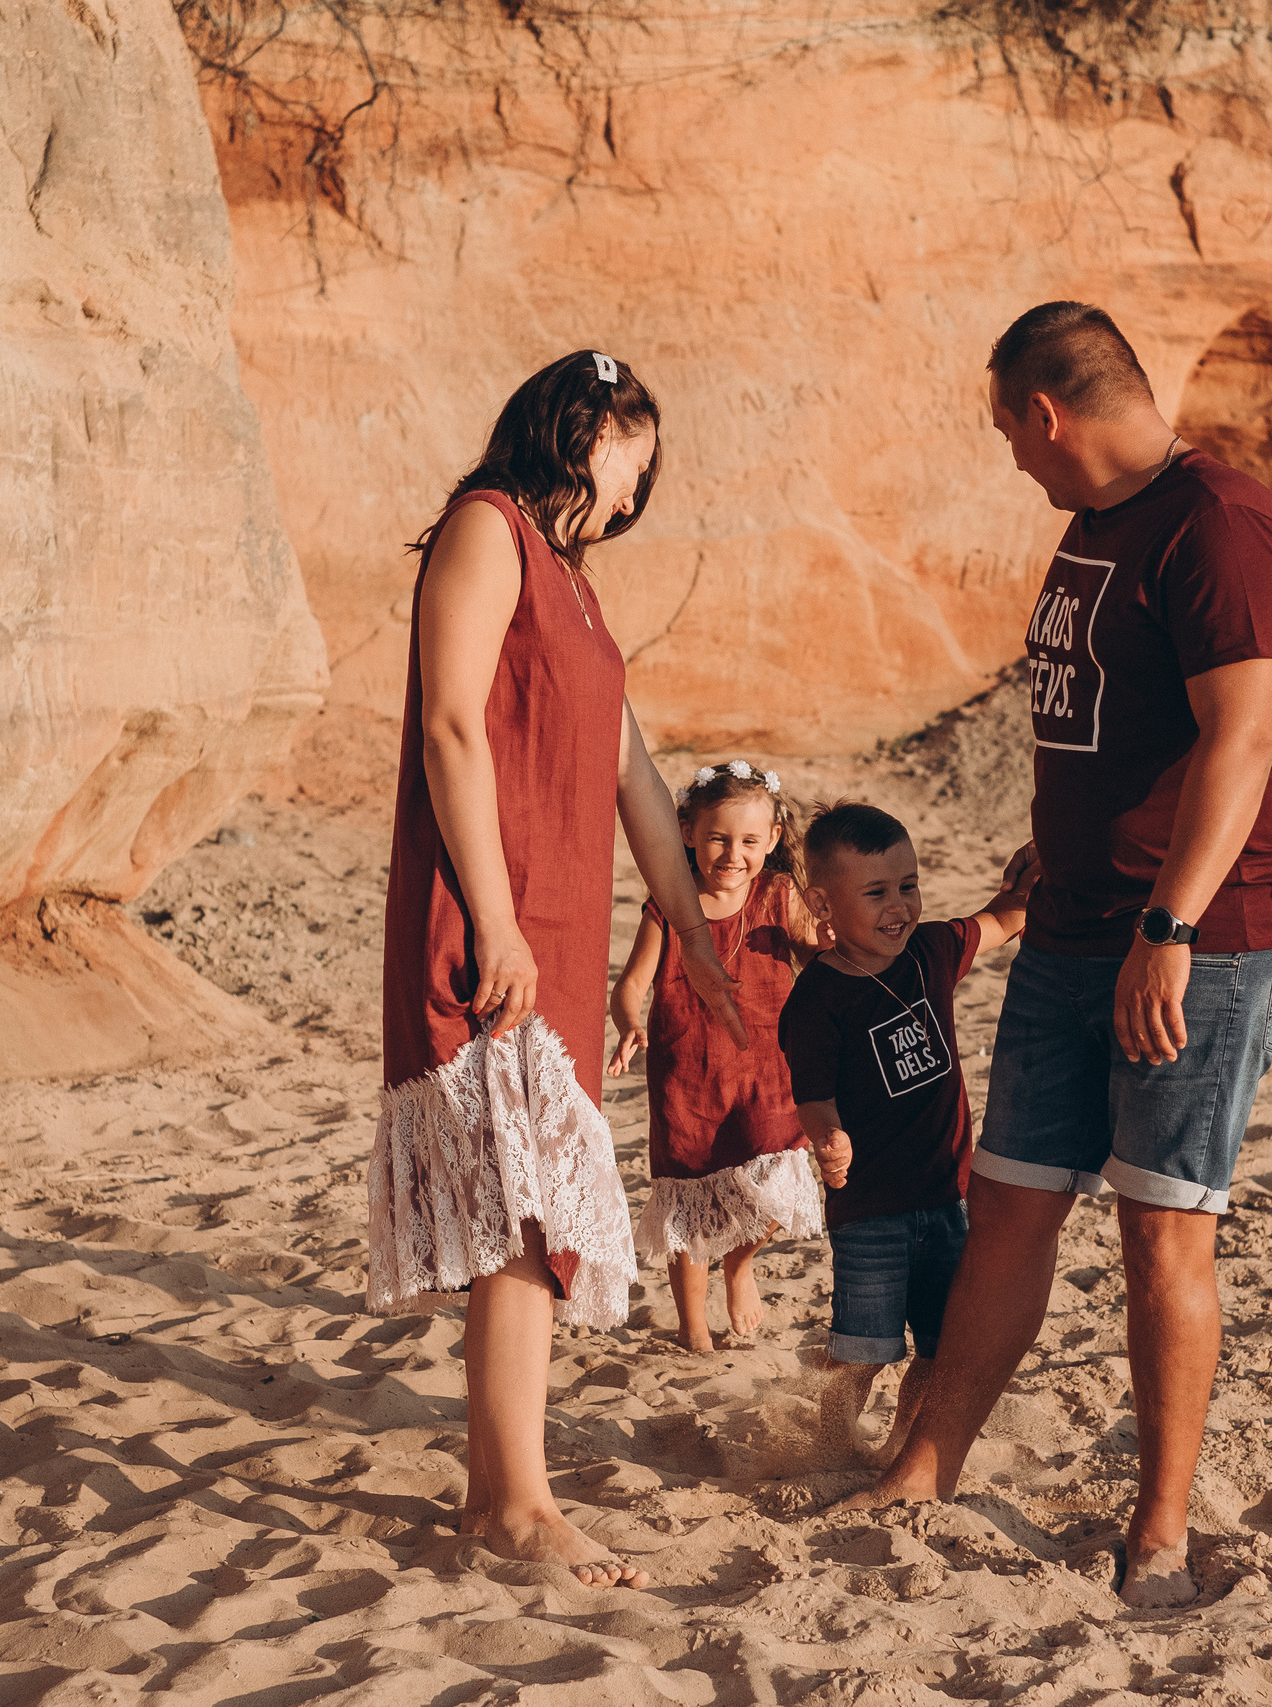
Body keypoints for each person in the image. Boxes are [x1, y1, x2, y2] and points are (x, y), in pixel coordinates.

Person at [840, 302, 1272, 1608]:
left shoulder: (1220, 526)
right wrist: (1052, 855)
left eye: (1008, 431)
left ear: (1045, 414)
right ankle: (928, 1463)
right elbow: (1115, 723)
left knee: (1165, 1232)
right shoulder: (1097, 527)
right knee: (1012, 1202)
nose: (1011, 459)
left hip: (1198, 944)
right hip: (1069, 931)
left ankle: (1157, 1530)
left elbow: (1244, 742)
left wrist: (1167, 928)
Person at [373, 349, 748, 1588]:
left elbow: (635, 771)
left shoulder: (575, 579)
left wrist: (692, 932)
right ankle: (509, 1504)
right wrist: (493, 917)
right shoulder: (485, 530)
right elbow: (447, 724)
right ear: (563, 431)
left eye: (645, 450)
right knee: (514, 1203)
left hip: (562, 925)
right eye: (619, 441)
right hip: (497, 909)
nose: (635, 473)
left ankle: (507, 1492)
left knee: (533, 1203)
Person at [778, 802, 1035, 1464]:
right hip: (870, 1213)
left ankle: (902, 1445)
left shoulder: (931, 951)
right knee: (864, 1350)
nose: (898, 906)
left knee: (946, 1347)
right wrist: (828, 1136)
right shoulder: (817, 1000)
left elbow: (1004, 918)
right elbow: (813, 1099)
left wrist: (1030, 880)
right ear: (823, 904)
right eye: (875, 892)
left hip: (947, 1196)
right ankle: (830, 1441)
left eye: (908, 885)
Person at [607, 760, 824, 1354]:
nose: (734, 854)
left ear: (773, 840)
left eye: (751, 841)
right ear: (686, 834)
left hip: (769, 1070)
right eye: (719, 838)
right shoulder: (669, 904)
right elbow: (630, 985)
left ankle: (741, 1265)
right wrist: (629, 1022)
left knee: (778, 1179)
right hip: (687, 1073)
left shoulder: (780, 897)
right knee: (689, 1201)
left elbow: (822, 957)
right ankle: (693, 1327)